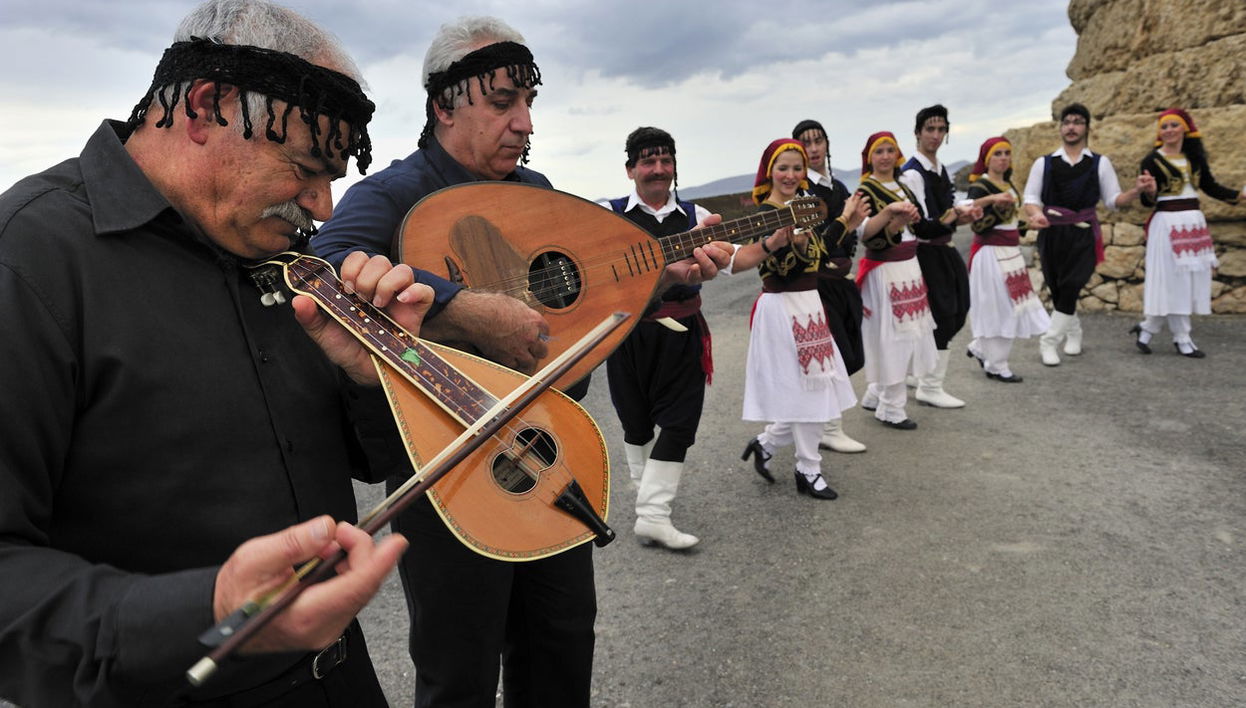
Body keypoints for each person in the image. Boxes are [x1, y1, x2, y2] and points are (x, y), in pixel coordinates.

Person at [0, 1, 435, 705]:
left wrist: (375, 374)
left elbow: (369, 459)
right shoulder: (29, 259)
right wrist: (209, 610)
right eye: (306, 166)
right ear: (205, 108)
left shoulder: (283, 257)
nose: (324, 207)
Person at [311, 17, 730, 707]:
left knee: (561, 645)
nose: (524, 123)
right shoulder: (391, 194)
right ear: (445, 106)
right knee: (459, 669)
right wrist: (460, 307)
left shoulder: (535, 189)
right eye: (503, 103)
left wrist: (664, 277)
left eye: (528, 103)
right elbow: (323, 264)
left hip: (548, 448)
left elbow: (576, 303)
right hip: (446, 467)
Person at [736, 139, 869, 500]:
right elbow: (776, 269)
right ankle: (808, 469)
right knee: (813, 390)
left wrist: (845, 221)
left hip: (809, 305)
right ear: (770, 172)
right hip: (783, 306)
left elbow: (821, 252)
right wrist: (792, 246)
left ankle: (766, 444)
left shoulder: (803, 207)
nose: (791, 175)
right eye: (783, 168)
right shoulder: (766, 214)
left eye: (797, 168)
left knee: (812, 388)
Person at [603, 127, 713, 549]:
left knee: (680, 423)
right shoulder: (609, 214)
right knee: (635, 422)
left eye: (666, 160)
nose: (658, 169)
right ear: (630, 169)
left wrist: (771, 243)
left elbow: (735, 260)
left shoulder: (697, 215)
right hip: (628, 332)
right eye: (648, 161)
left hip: (683, 332)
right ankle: (647, 500)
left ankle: (653, 514)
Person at [1023, 102, 1154, 366]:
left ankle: (1049, 341)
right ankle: (1074, 333)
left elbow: (1113, 201)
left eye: (1077, 122)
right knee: (1059, 290)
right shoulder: (1044, 163)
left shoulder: (1099, 163)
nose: (1071, 127)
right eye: (1067, 122)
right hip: (1052, 233)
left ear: (1087, 127)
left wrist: (1136, 191)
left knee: (1072, 285)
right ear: (1061, 127)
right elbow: (1031, 198)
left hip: (1083, 234)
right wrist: (1036, 214)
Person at [1132, 108, 1245, 357]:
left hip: (1193, 224)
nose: (1169, 130)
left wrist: (1239, 196)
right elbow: (1148, 201)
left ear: (1185, 128)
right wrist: (1149, 191)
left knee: (1186, 279)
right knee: (1173, 279)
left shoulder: (1194, 158)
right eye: (1164, 126)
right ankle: (1181, 337)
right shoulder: (1151, 161)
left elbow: (1210, 187)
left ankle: (1148, 328)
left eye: (1174, 125)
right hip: (1167, 223)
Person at [792, 118, 868, 454]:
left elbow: (856, 229)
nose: (813, 148)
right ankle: (829, 428)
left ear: (826, 144)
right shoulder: (802, 193)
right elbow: (817, 244)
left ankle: (782, 432)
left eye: (818, 140)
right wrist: (847, 220)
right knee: (833, 357)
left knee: (851, 354)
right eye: (805, 143)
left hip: (842, 281)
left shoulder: (836, 186)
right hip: (817, 286)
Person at [899, 104, 980, 409]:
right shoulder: (912, 174)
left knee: (959, 309)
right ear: (917, 133)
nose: (935, 135)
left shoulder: (940, 169)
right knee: (944, 315)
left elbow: (943, 217)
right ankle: (930, 386)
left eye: (941, 129)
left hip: (943, 247)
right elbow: (922, 224)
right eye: (930, 129)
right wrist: (954, 215)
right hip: (925, 251)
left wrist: (962, 217)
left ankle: (916, 372)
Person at [853, 132, 934, 430]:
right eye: (879, 151)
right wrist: (893, 219)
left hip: (909, 266)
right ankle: (891, 406)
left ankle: (876, 393)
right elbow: (864, 234)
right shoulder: (865, 190)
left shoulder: (903, 186)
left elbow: (918, 224)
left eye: (890, 150)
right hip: (886, 268)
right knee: (893, 336)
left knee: (907, 333)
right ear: (870, 157)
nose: (885, 156)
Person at [964, 137, 1051, 382]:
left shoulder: (1007, 184)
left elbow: (1009, 221)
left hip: (1009, 254)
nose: (1003, 158)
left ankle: (981, 349)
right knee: (999, 308)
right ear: (987, 159)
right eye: (997, 154)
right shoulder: (981, 187)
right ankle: (997, 365)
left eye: (1006, 153)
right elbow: (978, 225)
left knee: (1009, 306)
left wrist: (1029, 224)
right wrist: (995, 205)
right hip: (991, 253)